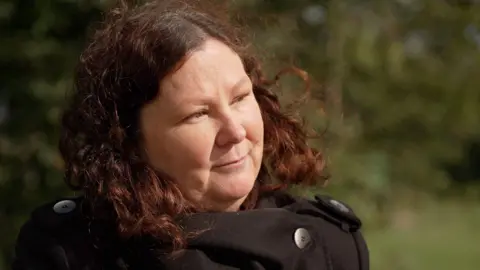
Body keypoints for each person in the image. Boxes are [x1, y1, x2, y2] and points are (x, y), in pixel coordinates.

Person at [12, 0, 369, 269]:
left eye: (241, 98)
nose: (235, 131)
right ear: (130, 141)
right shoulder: (68, 253)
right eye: (198, 114)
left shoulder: (330, 246)